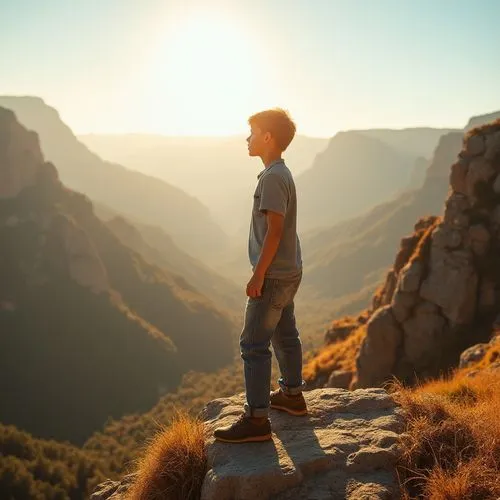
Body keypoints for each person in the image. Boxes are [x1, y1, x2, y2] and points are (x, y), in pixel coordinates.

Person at [214, 108, 306, 443]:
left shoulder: (272, 178)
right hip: (289, 270)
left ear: (268, 137)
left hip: (273, 275)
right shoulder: (281, 173)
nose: (247, 138)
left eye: (252, 132)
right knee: (285, 333)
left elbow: (275, 231)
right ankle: (293, 396)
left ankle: (256, 420)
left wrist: (258, 276)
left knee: (253, 344)